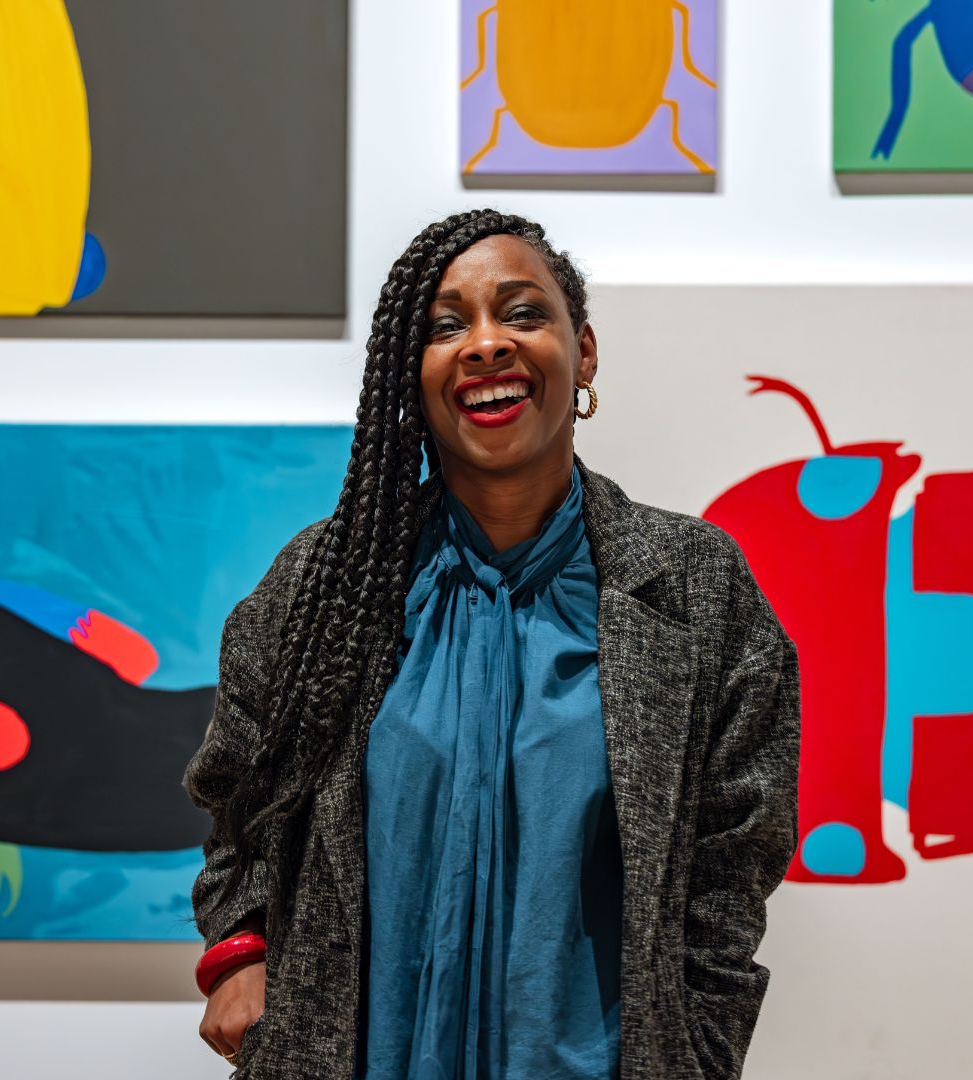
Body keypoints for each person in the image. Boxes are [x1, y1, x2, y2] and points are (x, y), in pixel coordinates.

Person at [184, 209, 800, 1080]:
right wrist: (241, 953)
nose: (484, 345)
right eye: (446, 326)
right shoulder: (322, 585)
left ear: (583, 353)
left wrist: (698, 1045)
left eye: (522, 313)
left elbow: (735, 853)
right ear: (413, 373)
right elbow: (238, 800)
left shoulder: (696, 588)